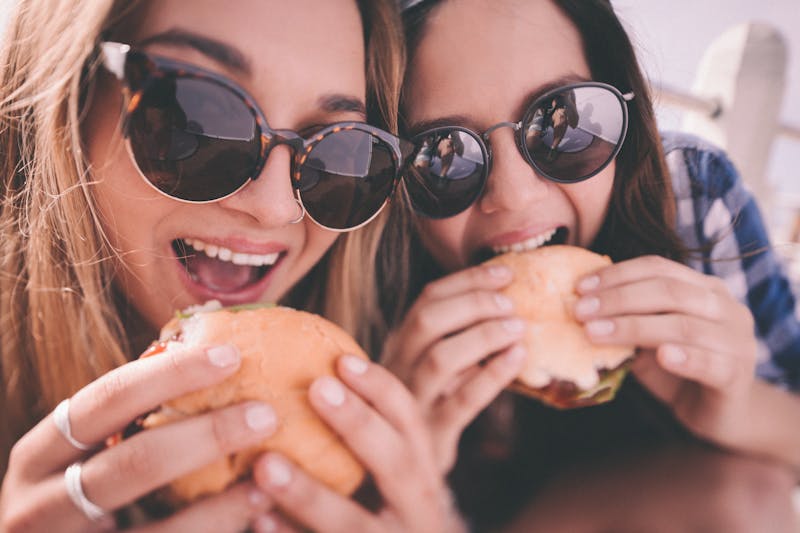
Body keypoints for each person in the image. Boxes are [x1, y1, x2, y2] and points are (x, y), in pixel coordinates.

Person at [0, 1, 465, 532]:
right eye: (198, 117)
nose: (275, 208)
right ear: (65, 101)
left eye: (341, 152)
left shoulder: (413, 442)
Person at [374, 0, 800, 530]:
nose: (512, 197)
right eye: (442, 154)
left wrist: (735, 408)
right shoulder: (365, 268)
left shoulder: (690, 200)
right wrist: (404, 474)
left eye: (564, 123)